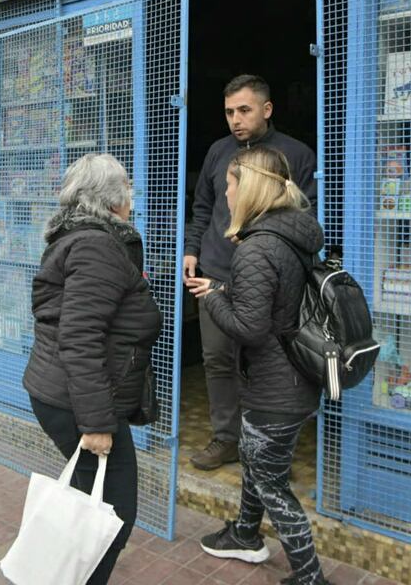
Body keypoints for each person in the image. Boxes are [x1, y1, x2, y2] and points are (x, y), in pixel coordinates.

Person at [186, 146, 329, 585]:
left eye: (229, 184)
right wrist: (226, 287)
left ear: (246, 188)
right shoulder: (291, 236)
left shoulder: (254, 247)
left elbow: (249, 328)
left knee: (272, 484)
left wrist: (211, 297)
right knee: (257, 460)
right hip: (297, 378)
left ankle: (310, 576)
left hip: (274, 389)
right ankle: (245, 535)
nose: (224, 194)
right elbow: (274, 301)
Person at [23, 153, 162, 584]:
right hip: (78, 402)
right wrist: (97, 422)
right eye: (128, 187)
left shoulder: (86, 239)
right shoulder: (96, 246)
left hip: (67, 394)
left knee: (94, 505)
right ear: (114, 196)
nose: (132, 195)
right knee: (113, 513)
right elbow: (80, 336)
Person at [184, 74, 317, 470]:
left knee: (268, 364)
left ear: (267, 109)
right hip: (214, 271)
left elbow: (302, 216)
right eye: (229, 112)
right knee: (218, 360)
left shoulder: (296, 154)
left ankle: (266, 448)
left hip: (268, 277)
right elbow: (202, 207)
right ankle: (226, 439)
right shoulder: (217, 152)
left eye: (244, 109)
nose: (235, 119)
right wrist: (192, 249)